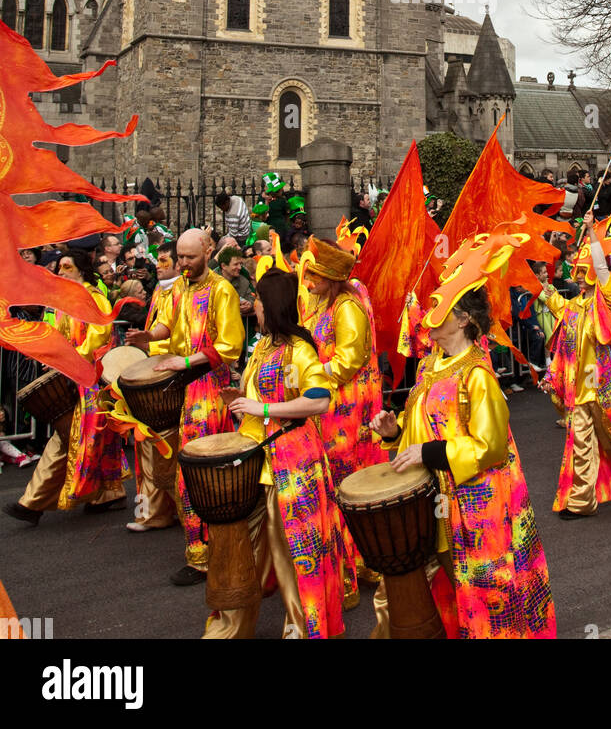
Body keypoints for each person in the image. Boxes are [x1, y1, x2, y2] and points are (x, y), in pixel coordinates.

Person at [371, 229, 557, 639]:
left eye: (441, 308)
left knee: (486, 591)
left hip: (476, 504)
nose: (429, 318)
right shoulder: (428, 367)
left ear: (463, 318)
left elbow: (489, 447)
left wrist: (429, 452)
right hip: (436, 500)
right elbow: (423, 433)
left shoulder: (477, 375)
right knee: (446, 593)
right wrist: (394, 433)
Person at [204, 266, 346, 640]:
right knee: (241, 552)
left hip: (290, 465)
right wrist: (243, 401)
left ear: (273, 305)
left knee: (293, 553)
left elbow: (319, 400)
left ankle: (303, 628)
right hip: (256, 461)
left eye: (260, 301)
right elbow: (259, 396)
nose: (255, 308)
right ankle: (230, 629)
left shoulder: (300, 349)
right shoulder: (264, 345)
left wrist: (262, 409)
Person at [126, 228, 245, 585]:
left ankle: (216, 553)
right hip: (184, 389)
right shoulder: (178, 287)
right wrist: (150, 336)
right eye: (179, 257)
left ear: (208, 252)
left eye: (189, 257)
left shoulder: (222, 290)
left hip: (209, 389)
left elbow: (229, 347)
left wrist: (187, 361)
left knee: (206, 474)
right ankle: (199, 553)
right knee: (185, 475)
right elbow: (167, 324)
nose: (183, 264)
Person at [3, 250, 127, 524]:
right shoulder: (62, 302)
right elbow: (56, 335)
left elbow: (99, 336)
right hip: (70, 379)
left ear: (81, 270)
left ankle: (37, 503)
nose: (60, 272)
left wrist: (70, 359)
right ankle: (102, 494)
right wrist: (50, 355)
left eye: (66, 267)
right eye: (59, 267)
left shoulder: (95, 298)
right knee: (75, 440)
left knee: (89, 440)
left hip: (91, 382)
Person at [300, 235, 384, 608]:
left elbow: (350, 361)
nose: (308, 283)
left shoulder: (347, 307)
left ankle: (359, 560)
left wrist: (311, 375)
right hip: (330, 404)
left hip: (347, 406)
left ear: (331, 279)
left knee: (347, 478)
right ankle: (348, 562)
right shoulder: (323, 304)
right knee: (337, 479)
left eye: (315, 277)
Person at [542, 212, 611, 518]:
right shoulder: (578, 304)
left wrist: (593, 235)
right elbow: (561, 312)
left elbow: (601, 270)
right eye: (577, 271)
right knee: (579, 440)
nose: (579, 275)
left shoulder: (608, 295)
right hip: (580, 385)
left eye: (584, 270)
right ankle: (581, 501)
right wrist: (542, 287)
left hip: (604, 384)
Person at [126, 242, 182, 534]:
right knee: (149, 447)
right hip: (156, 371)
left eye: (164, 260)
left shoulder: (181, 291)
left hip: (171, 375)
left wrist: (150, 342)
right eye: (158, 260)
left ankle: (164, 512)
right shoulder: (162, 290)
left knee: (160, 447)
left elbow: (182, 338)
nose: (158, 265)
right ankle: (150, 512)